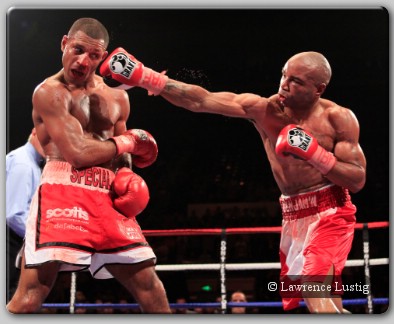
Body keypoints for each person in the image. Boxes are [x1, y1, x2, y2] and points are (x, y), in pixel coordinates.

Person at [100, 49, 367, 313]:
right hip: (293, 217)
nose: (284, 84)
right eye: (284, 75)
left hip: (330, 212)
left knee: (314, 291)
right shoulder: (266, 110)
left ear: (319, 89)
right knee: (330, 303)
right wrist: (147, 77)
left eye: (296, 81)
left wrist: (316, 153)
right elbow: (202, 100)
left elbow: (356, 179)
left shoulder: (338, 118)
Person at [6, 18, 171, 314]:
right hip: (62, 189)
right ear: (64, 43)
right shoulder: (49, 92)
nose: (83, 61)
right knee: (31, 294)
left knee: (151, 288)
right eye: (78, 49)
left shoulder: (118, 97)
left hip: (106, 194)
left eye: (94, 55)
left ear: (103, 57)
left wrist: (127, 175)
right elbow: (78, 153)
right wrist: (129, 143)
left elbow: (121, 152)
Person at [6, 127, 45, 301]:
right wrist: (42, 239)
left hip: (15, 241)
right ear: (35, 131)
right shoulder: (24, 163)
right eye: (48, 139)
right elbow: (14, 215)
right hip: (9, 240)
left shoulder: (34, 164)